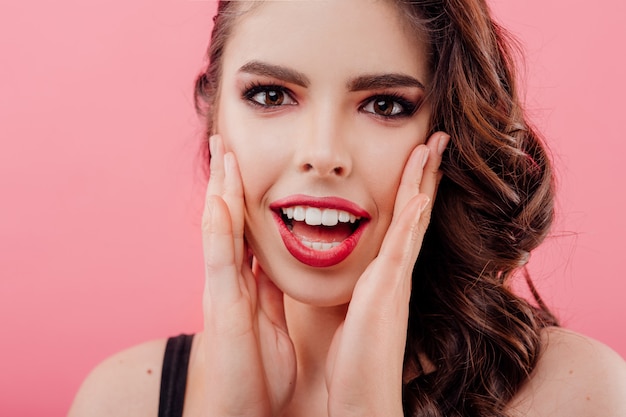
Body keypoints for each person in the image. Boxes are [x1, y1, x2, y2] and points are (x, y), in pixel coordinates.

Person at [67, 1, 626, 416]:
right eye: (270, 95)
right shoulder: (120, 400)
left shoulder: (573, 393)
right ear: (216, 120)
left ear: (447, 129)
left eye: (384, 105)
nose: (323, 155)